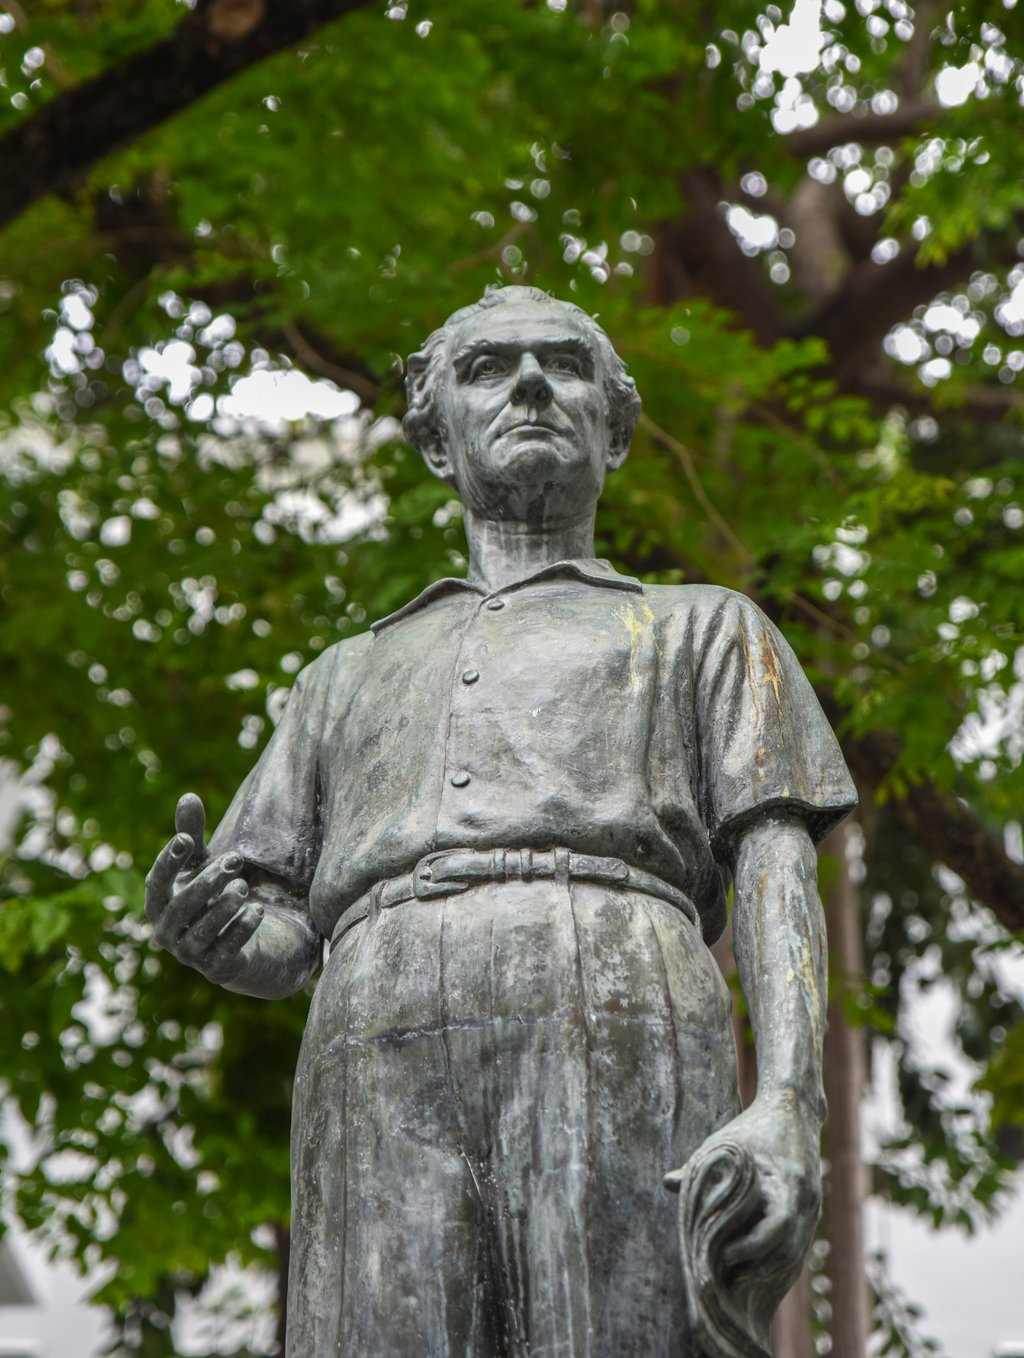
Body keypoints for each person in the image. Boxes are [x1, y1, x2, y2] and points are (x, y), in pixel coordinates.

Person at [145, 286, 856, 1357]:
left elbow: (774, 866)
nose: (529, 383)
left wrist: (791, 1100)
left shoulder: (703, 627)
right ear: (436, 439)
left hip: (616, 996)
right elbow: (286, 930)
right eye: (488, 368)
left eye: (563, 364)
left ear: (614, 428)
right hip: (370, 1029)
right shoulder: (346, 673)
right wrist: (234, 940)